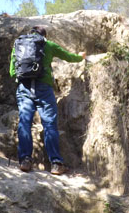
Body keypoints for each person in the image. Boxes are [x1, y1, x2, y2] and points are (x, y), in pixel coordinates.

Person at [8, 25, 86, 175]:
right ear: (44, 35)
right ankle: (56, 164)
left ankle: (25, 160)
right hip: (44, 89)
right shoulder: (48, 45)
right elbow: (69, 57)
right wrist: (80, 57)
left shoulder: (18, 45)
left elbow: (12, 72)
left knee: (25, 121)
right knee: (49, 124)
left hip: (24, 88)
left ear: (31, 33)